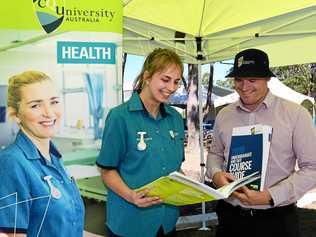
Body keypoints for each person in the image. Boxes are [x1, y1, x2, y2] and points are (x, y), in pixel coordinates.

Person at [206, 48, 316, 237]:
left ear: (267, 79)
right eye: (239, 80)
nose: (244, 86)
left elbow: (312, 168)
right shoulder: (224, 115)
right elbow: (215, 153)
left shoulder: (295, 114)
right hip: (230, 217)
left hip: (276, 220)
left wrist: (271, 196)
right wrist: (215, 174)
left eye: (252, 80)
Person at [96, 48, 185, 237]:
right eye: (165, 79)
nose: (171, 88)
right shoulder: (120, 117)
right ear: (147, 76)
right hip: (130, 223)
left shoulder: (175, 118)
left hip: (167, 222)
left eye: (176, 81)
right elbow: (106, 170)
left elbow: (175, 168)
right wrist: (131, 196)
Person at [0, 71, 84, 237]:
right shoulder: (11, 163)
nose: (49, 112)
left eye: (54, 102)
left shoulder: (53, 158)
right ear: (15, 114)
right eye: (35, 105)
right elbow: (12, 234)